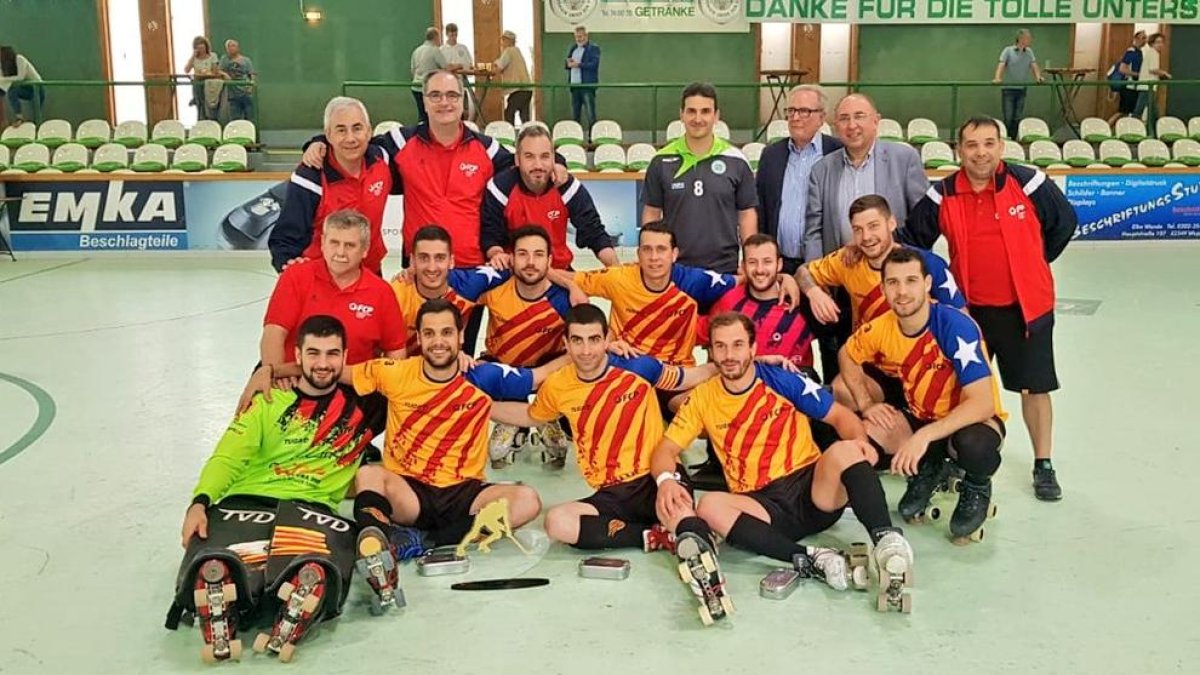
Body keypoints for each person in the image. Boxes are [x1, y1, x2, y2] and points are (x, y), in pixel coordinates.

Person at [650, 313, 915, 622]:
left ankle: (886, 541)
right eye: (720, 347)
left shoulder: (781, 379)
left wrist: (860, 441)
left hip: (812, 491)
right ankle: (809, 558)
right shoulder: (702, 398)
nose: (729, 355)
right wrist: (667, 480)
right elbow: (666, 449)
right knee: (709, 505)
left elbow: (841, 417)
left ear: (752, 348)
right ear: (711, 352)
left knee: (844, 450)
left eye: (737, 345)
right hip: (762, 508)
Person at [166, 315, 385, 663]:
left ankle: (296, 597)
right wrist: (200, 502)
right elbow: (227, 456)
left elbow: (420, 375)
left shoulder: (366, 408)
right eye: (313, 353)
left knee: (316, 562)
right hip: (246, 501)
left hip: (311, 511)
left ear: (345, 358)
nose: (323, 364)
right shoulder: (267, 401)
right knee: (221, 558)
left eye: (332, 354)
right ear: (297, 356)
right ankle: (226, 591)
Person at [905, 116, 1075, 501]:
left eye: (988, 143)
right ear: (959, 150)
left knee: (1035, 387)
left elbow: (1064, 223)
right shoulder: (943, 194)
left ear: (1000, 147)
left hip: (1025, 310)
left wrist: (1033, 261)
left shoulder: (1029, 183)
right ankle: (958, 459)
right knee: (963, 390)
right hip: (968, 314)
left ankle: (1043, 463)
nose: (980, 152)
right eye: (972, 145)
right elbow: (914, 240)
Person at [491, 303, 718, 551]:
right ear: (566, 344)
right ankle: (652, 537)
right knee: (558, 522)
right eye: (577, 340)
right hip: (611, 494)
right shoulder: (557, 385)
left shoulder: (638, 368)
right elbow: (531, 416)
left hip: (656, 477)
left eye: (594, 339)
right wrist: (482, 407)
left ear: (606, 339)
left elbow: (690, 377)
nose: (586, 350)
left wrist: (729, 363)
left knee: (681, 519)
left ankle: (697, 552)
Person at [838, 248, 1008, 542]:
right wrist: (866, 405)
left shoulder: (954, 325)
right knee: (867, 434)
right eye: (893, 283)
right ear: (883, 288)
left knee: (975, 446)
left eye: (911, 281)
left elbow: (983, 403)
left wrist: (924, 436)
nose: (902, 292)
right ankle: (927, 470)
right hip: (922, 417)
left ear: (927, 284)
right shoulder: (882, 327)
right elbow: (847, 355)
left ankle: (977, 485)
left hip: (971, 423)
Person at [804, 93, 927, 382]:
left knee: (899, 362)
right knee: (842, 364)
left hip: (893, 281)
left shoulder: (904, 158)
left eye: (859, 116)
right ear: (834, 126)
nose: (852, 125)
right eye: (844, 118)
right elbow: (812, 229)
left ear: (876, 121)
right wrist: (817, 286)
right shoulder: (822, 169)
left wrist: (894, 258)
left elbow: (922, 224)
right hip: (844, 280)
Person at [798, 194, 963, 408]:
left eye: (873, 226)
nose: (866, 236)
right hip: (876, 365)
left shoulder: (926, 263)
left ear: (891, 223)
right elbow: (803, 272)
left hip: (925, 364)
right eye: (858, 229)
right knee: (841, 390)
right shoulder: (847, 261)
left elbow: (962, 319)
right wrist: (814, 292)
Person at [472, 226, 575, 468]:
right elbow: (450, 293)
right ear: (511, 258)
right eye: (523, 254)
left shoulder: (564, 298)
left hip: (547, 375)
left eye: (538, 255)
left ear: (549, 260)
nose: (530, 262)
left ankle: (545, 414)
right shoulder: (493, 287)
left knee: (579, 369)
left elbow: (587, 347)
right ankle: (514, 418)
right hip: (502, 370)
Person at [260, 209, 406, 369]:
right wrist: (276, 373)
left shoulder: (381, 291)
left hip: (353, 385)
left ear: (365, 250)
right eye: (334, 243)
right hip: (295, 378)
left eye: (350, 245)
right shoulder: (295, 276)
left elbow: (395, 350)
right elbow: (273, 333)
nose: (340, 252)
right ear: (323, 243)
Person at [269, 97, 398, 275]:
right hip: (323, 280)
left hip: (370, 273)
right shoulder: (310, 177)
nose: (350, 138)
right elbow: (284, 240)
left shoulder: (382, 158)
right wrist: (291, 269)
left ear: (369, 132)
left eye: (357, 128)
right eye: (341, 130)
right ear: (328, 135)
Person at [643, 82, 757, 275]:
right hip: (676, 270)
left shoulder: (736, 160)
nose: (698, 118)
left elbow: (746, 215)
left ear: (716, 116)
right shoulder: (661, 161)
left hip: (725, 270)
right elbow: (652, 214)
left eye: (705, 111)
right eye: (691, 111)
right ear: (681, 114)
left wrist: (750, 260)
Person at [482, 123, 619, 270]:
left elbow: (594, 232)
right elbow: (490, 235)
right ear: (517, 160)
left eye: (545, 156)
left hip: (559, 271)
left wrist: (617, 269)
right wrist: (496, 254)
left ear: (554, 158)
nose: (538, 165)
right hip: (515, 272)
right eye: (529, 157)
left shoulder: (567, 187)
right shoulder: (500, 188)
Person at [756, 84, 844, 275]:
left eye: (804, 111)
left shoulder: (838, 153)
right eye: (791, 111)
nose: (795, 118)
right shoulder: (771, 155)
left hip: (827, 264)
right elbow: (761, 209)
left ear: (821, 117)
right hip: (780, 266)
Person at [701, 234, 816, 376]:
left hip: (795, 389)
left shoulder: (800, 300)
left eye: (767, 262)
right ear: (743, 266)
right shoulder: (728, 302)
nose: (760, 270)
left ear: (779, 264)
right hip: (743, 390)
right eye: (752, 262)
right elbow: (712, 357)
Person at [390, 225, 509, 356]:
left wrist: (500, 255)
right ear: (412, 261)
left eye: (440, 258)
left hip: (449, 367)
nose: (432, 267)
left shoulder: (470, 284)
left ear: (451, 261)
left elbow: (521, 268)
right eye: (424, 258)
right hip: (406, 369)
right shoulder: (395, 295)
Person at [992, 29, 1044, 140]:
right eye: (1028, 38)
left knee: (1017, 117)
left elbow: (1034, 65)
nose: (1030, 40)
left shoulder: (1029, 52)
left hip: (1021, 89)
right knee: (1008, 117)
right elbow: (1001, 65)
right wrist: (997, 78)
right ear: (1021, 39)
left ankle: (1013, 139)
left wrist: (1038, 77)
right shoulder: (1008, 50)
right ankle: (1006, 139)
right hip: (1008, 89)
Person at [1107, 31, 1148, 127]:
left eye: (1145, 38)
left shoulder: (1140, 52)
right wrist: (1137, 74)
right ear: (1136, 39)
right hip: (1129, 86)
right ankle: (1107, 128)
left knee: (1128, 112)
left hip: (1135, 86)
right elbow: (1122, 69)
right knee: (1122, 111)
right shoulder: (1131, 52)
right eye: (1142, 38)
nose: (1144, 41)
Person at [565, 26, 600, 132]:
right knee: (575, 115)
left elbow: (594, 65)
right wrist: (568, 63)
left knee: (590, 115)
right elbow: (567, 64)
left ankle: (592, 139)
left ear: (586, 36)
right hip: (574, 86)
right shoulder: (573, 48)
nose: (578, 39)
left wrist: (579, 64)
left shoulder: (593, 48)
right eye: (576, 37)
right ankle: (576, 138)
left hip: (587, 86)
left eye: (580, 36)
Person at [410, 27, 448, 125]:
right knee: (431, 114)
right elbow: (446, 67)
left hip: (415, 87)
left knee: (422, 114)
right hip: (429, 88)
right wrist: (458, 66)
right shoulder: (435, 51)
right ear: (436, 37)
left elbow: (412, 70)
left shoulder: (416, 51)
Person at [494, 30, 532, 125]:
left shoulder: (509, 51)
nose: (502, 43)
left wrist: (487, 68)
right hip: (527, 88)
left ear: (508, 41)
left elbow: (499, 66)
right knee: (524, 116)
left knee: (509, 113)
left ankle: (510, 135)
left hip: (518, 88)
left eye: (503, 40)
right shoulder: (517, 51)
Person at [0, 46, 43, 126]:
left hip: (37, 88)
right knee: (11, 92)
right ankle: (19, 117)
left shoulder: (19, 59)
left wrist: (3, 79)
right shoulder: (4, 65)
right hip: (24, 89)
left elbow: (20, 77)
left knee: (36, 113)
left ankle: (37, 127)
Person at [1134, 33, 1171, 120]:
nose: (1160, 44)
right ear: (1152, 43)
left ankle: (1154, 127)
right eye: (1157, 42)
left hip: (1147, 86)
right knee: (1142, 109)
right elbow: (1153, 69)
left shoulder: (1150, 53)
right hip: (1147, 86)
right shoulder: (1154, 53)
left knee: (1151, 109)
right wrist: (1164, 73)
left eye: (1161, 42)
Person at [441, 23, 475, 119]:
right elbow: (443, 67)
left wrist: (459, 66)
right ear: (447, 34)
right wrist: (454, 67)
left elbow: (469, 64)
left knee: (460, 104)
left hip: (460, 80)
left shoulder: (462, 48)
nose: (453, 37)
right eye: (451, 35)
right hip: (447, 82)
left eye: (455, 35)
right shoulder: (442, 50)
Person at [183, 36, 220, 121]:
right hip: (198, 82)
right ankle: (199, 114)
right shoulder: (194, 58)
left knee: (209, 106)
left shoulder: (212, 56)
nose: (201, 49)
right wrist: (193, 56)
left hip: (210, 83)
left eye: (202, 47)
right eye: (198, 47)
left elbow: (215, 71)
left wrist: (207, 73)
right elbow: (186, 70)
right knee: (200, 105)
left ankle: (210, 120)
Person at [219, 40, 256, 121]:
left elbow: (252, 74)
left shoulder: (246, 60)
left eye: (233, 46)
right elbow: (218, 71)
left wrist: (251, 87)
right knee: (235, 119)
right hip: (232, 95)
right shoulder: (224, 59)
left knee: (249, 117)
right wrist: (225, 75)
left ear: (237, 48)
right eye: (229, 46)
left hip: (246, 93)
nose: (231, 48)